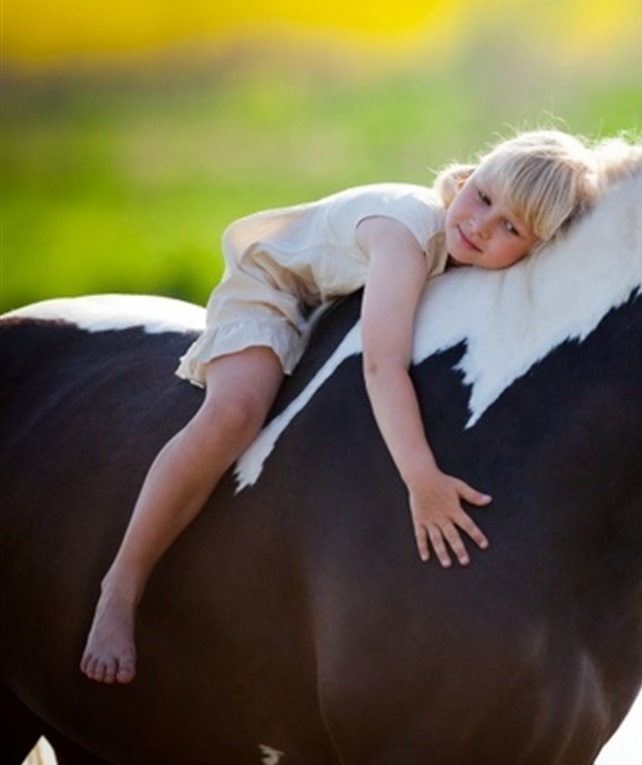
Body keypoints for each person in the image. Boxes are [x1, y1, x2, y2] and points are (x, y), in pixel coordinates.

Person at [80, 130, 601, 684]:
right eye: (484, 198)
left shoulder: (462, 247)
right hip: (277, 292)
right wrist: (421, 478)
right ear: (469, 178)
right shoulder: (404, 238)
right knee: (234, 414)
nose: (480, 225)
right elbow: (382, 365)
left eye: (511, 228)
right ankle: (121, 584)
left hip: (335, 309)